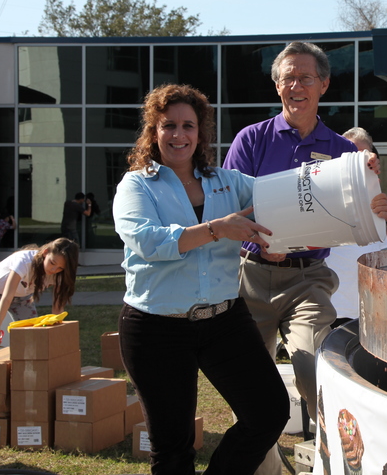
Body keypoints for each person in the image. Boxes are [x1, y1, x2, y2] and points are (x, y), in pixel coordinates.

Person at [222, 42, 387, 475]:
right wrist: (261, 240)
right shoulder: (251, 140)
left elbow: (363, 219)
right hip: (250, 278)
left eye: (306, 78)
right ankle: (269, 470)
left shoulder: (343, 151)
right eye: (288, 78)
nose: (296, 86)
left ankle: (339, 462)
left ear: (324, 84)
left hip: (308, 279)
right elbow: (227, 208)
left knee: (314, 366)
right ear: (277, 85)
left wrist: (377, 206)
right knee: (252, 395)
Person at [112, 84, 290, 475]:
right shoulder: (136, 185)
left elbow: (286, 196)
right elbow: (148, 242)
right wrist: (217, 229)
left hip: (225, 320)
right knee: (173, 449)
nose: (179, 135)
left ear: (200, 132)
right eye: (169, 125)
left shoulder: (228, 181)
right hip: (156, 328)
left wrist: (357, 179)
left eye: (188, 126)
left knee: (269, 413)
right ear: (153, 131)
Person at [0, 237, 78, 377]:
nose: (54, 269)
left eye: (60, 267)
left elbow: (57, 308)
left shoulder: (60, 274)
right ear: (45, 252)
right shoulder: (24, 262)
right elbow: (7, 297)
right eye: (52, 263)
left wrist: (57, 332)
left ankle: (30, 382)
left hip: (22, 297)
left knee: (33, 341)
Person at [327, 127, 387, 327]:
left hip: (370, 308)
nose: (360, 163)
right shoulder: (326, 197)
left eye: (365, 157)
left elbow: (386, 247)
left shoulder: (377, 199)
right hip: (334, 307)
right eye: (351, 156)